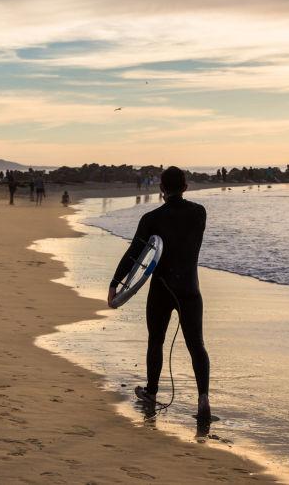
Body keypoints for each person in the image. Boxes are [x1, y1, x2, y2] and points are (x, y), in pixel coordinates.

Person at [108, 166, 211, 421]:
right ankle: (203, 400)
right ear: (185, 187)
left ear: (161, 188)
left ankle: (152, 393)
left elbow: (135, 253)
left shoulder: (151, 218)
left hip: (161, 289)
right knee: (196, 345)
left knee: (156, 340)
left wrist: (115, 283)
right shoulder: (199, 213)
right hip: (189, 289)